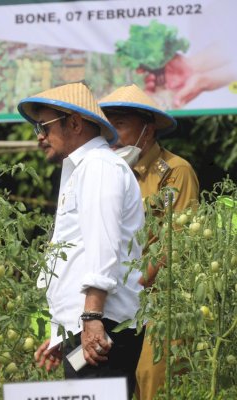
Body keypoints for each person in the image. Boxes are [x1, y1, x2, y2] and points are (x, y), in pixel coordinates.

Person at [20, 81, 145, 398]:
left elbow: (103, 247)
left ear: (74, 123)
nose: (39, 136)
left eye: (44, 126)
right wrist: (66, 333)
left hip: (103, 329)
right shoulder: (84, 168)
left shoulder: (100, 167)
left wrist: (90, 319)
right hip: (94, 330)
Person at [99, 84, 199, 400]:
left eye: (121, 124)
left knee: (151, 381)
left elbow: (172, 244)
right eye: (107, 125)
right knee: (107, 384)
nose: (112, 134)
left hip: (156, 304)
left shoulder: (174, 172)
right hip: (110, 303)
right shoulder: (108, 173)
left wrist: (131, 291)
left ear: (148, 128)